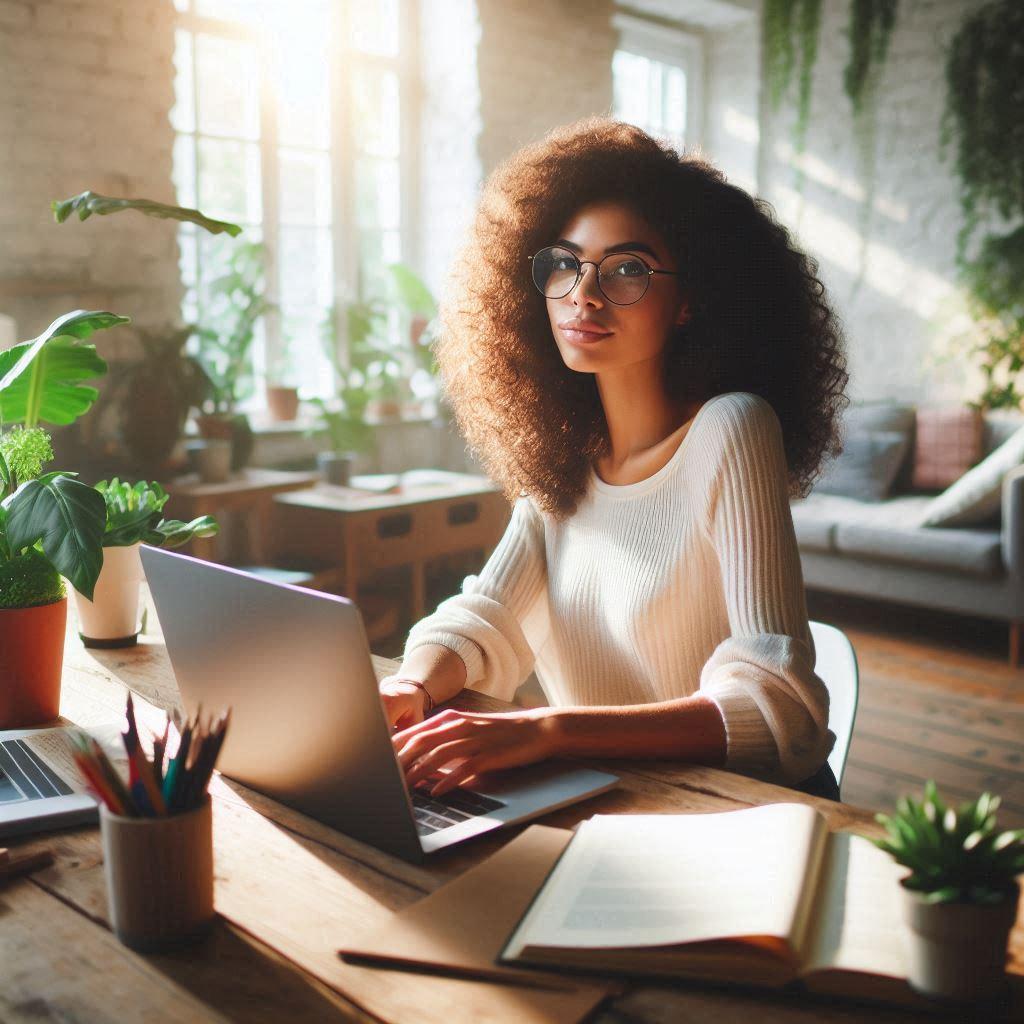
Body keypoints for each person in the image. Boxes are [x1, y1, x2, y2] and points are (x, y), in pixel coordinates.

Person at [379, 118, 848, 802]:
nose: (584, 294)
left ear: (691, 300)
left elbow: (777, 706)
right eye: (565, 263)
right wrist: (411, 682)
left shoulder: (731, 429)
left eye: (627, 268)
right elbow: (482, 619)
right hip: (611, 804)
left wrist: (550, 732)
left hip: (737, 814)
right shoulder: (564, 467)